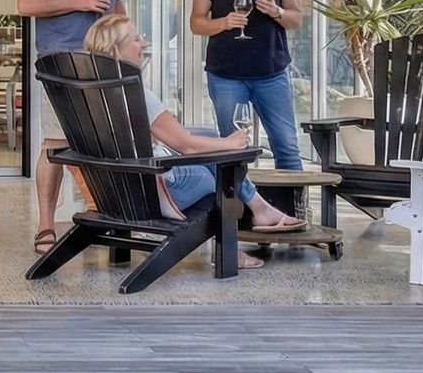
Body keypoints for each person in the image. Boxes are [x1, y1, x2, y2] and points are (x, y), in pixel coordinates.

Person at [83, 15, 304, 266]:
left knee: (208, 141)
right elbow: (185, 145)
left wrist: (216, 143)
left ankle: (260, 208)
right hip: (153, 193)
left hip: (113, 192)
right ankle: (235, 243)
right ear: (115, 51)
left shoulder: (87, 93)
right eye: (136, 39)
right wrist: (228, 145)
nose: (144, 43)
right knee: (220, 171)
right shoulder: (134, 93)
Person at [17, 0, 127, 254]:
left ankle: (103, 215)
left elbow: (118, 6)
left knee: (102, 143)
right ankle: (46, 226)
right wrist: (78, 1)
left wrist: (125, 42)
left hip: (103, 60)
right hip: (59, 61)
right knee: (56, 142)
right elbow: (26, 5)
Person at [189, 0, 305, 171]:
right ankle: (237, 212)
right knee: (230, 150)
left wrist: (276, 11)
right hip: (225, 75)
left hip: (272, 73)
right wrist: (225, 22)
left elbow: (296, 18)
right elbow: (196, 23)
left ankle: (292, 209)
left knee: (286, 145)